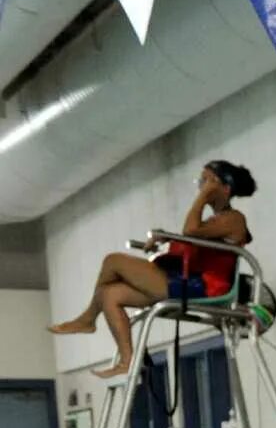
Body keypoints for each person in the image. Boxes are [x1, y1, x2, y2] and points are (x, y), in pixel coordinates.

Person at [50, 159, 257, 380]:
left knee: (113, 261)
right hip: (186, 280)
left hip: (204, 286)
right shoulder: (215, 221)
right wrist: (166, 237)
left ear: (225, 188)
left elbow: (190, 230)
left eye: (206, 181)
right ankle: (127, 361)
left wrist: (203, 197)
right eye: (201, 182)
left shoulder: (235, 219)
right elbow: (191, 239)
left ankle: (88, 320)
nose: (201, 186)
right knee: (109, 295)